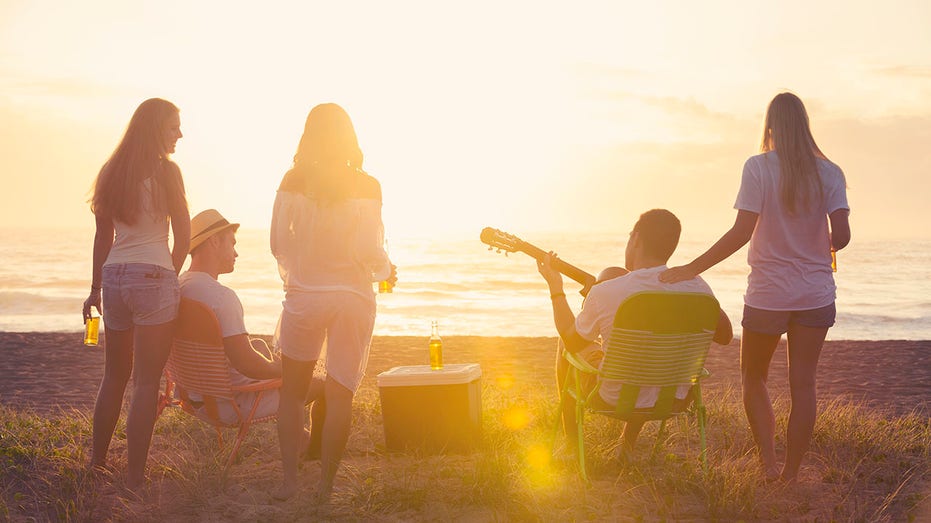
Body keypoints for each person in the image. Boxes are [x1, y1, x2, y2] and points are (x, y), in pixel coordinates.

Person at [660, 92, 850, 483]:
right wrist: (825, 240)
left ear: (770, 127)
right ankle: (792, 473)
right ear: (805, 126)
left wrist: (691, 268)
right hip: (815, 293)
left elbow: (741, 233)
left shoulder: (759, 167)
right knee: (804, 384)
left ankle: (768, 463)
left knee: (753, 377)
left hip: (768, 293)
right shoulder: (831, 172)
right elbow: (843, 236)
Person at [271, 103, 395, 501]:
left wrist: (299, 272)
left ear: (309, 135)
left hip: (307, 295)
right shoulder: (368, 185)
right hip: (352, 297)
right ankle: (324, 489)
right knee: (341, 394)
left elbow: (279, 243)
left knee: (292, 393)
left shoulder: (294, 179)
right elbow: (368, 248)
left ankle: (289, 483)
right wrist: (385, 270)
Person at [538, 209, 733, 453]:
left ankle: (571, 445)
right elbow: (725, 336)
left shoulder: (607, 291)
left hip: (613, 399)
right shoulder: (698, 288)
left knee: (564, 344)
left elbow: (573, 341)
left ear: (637, 239)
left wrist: (556, 287)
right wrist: (696, 292)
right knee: (652, 351)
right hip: (673, 400)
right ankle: (626, 446)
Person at [82, 98, 190, 488]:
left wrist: (95, 289)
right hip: (152, 275)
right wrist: (169, 276)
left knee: (114, 375)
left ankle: (96, 463)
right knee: (146, 381)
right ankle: (133, 478)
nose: (180, 134)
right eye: (173, 126)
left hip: (115, 276)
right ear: (155, 128)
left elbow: (103, 236)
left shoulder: (112, 171)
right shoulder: (168, 173)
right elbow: (183, 233)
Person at [178, 209, 325, 439]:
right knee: (321, 382)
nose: (236, 253)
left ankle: (301, 438)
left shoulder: (179, 287)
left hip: (194, 397)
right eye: (232, 243)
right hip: (229, 404)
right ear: (214, 241)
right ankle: (313, 450)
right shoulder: (221, 298)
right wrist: (291, 369)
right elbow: (248, 365)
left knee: (257, 345)